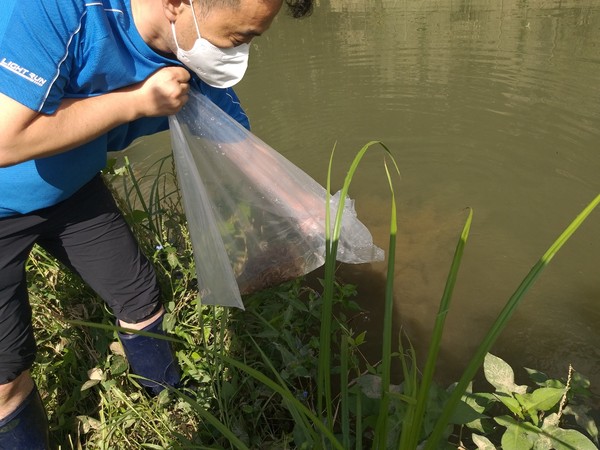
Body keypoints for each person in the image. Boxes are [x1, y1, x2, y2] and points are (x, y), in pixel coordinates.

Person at [0, 0, 313, 447]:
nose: (237, 53)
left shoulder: (185, 46)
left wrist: (305, 207)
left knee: (141, 298)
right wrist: (137, 103)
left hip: (72, 189)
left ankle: (167, 404)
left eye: (249, 39)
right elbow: (5, 138)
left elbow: (234, 135)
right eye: (237, 38)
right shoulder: (56, 10)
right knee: (5, 379)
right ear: (176, 4)